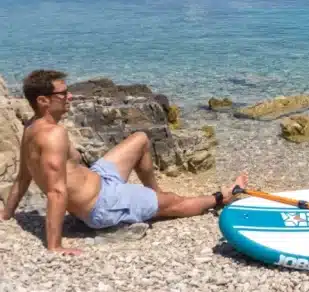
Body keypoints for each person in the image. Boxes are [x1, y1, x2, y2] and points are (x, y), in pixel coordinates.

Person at [1, 69, 248, 255]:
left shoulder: (31, 127)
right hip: (102, 204)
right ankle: (222, 197)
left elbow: (24, 175)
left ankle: (154, 196)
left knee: (140, 139)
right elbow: (56, 191)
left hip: (99, 178)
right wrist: (54, 246)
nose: (70, 96)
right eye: (63, 93)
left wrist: (7, 213)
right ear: (44, 100)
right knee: (175, 203)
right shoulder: (54, 135)